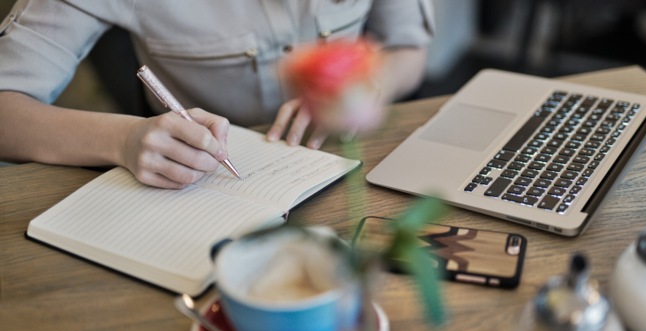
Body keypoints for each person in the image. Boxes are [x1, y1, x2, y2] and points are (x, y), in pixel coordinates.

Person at [0, 0, 434, 189]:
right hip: (199, 185)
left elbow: (409, 50)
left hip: (348, 165)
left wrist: (369, 88)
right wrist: (122, 139)